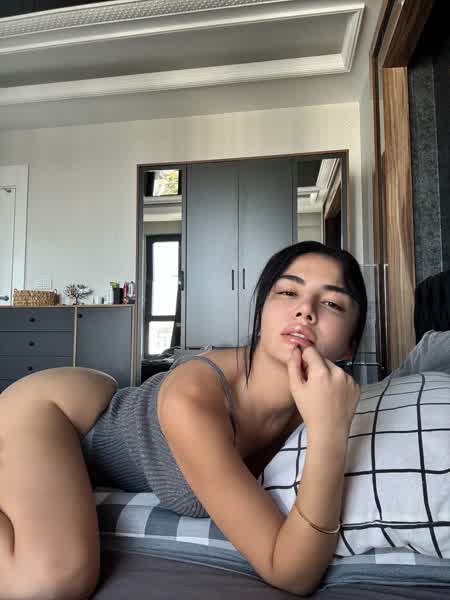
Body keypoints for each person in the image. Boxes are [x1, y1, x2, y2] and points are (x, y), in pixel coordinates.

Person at [0, 241, 367, 599]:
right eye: (287, 292)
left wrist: (327, 424)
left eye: (332, 303)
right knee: (53, 580)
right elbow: (290, 572)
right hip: (59, 414)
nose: (305, 310)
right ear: (261, 312)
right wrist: (328, 434)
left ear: (350, 345)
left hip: (96, 409)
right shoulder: (194, 396)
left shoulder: (324, 402)